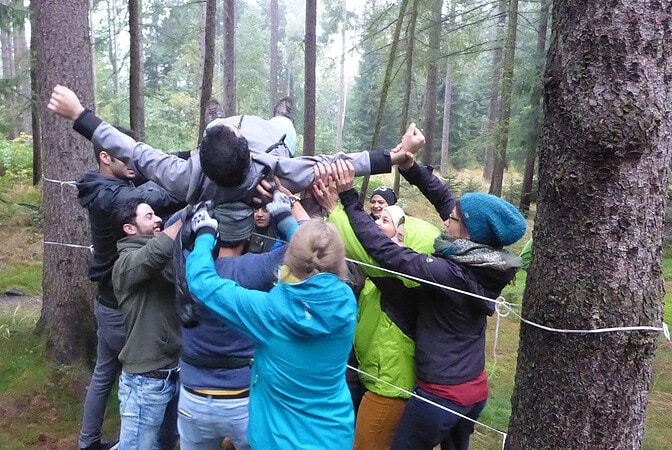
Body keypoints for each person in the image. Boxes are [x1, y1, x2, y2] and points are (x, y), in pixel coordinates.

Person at [331, 144, 525, 450]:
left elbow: (386, 253)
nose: (446, 220)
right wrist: (411, 168)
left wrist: (349, 199)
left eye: (454, 220)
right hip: (474, 389)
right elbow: (448, 201)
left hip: (440, 396)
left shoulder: (452, 275)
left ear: (469, 235)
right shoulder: (488, 260)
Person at [47, 85, 422, 206]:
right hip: (269, 151)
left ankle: (218, 121)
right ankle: (283, 116)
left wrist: (80, 114)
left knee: (213, 128)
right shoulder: (274, 171)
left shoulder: (183, 179)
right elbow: (331, 163)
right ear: (246, 147)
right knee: (282, 128)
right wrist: (393, 155)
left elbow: (132, 149)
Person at [185, 191, 357, 449]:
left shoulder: (270, 312)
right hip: (333, 435)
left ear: (289, 259)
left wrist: (205, 233)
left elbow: (203, 284)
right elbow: (315, 260)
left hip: (279, 440)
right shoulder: (345, 302)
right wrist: (286, 217)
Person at [313, 170, 440, 450]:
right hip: (377, 376)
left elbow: (362, 250)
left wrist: (335, 209)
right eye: (379, 219)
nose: (377, 226)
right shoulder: (390, 274)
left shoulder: (404, 281)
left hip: (389, 386)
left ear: (413, 246)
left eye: (389, 225)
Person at [76, 131, 184, 450]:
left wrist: (188, 156)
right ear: (105, 158)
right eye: (127, 156)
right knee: (144, 374)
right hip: (122, 306)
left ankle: (89, 441)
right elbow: (156, 197)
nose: (135, 163)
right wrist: (190, 183)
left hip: (110, 301)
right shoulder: (113, 197)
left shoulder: (112, 185)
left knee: (105, 372)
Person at [177, 199, 299, 450]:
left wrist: (199, 213)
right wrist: (284, 208)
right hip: (243, 397)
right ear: (247, 234)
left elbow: (173, 229)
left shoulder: (186, 262)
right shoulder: (258, 267)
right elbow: (304, 247)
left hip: (192, 396)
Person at [111, 198, 183, 450]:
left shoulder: (164, 255)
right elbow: (151, 256)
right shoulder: (125, 264)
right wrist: (184, 219)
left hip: (173, 372)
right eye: (149, 216)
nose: (158, 220)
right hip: (145, 382)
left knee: (165, 445)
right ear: (129, 229)